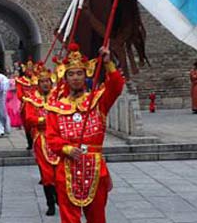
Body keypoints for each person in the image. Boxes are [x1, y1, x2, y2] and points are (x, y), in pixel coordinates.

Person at [46, 44, 125, 223]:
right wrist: (66, 148)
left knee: (97, 217)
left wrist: (108, 63)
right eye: (71, 74)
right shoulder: (56, 109)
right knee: (69, 218)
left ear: (86, 75)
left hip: (95, 169)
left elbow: (116, 87)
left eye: (79, 73)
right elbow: (51, 138)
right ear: (65, 77)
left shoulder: (97, 101)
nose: (75, 78)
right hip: (66, 169)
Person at [23, 63, 60, 216]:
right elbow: (29, 118)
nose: (45, 84)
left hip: (58, 138)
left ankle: (60, 197)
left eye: (47, 81)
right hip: (41, 138)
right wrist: (42, 120)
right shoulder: (32, 100)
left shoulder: (58, 98)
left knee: (60, 173)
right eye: (42, 82)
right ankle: (50, 203)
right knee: (47, 174)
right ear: (38, 84)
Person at [16, 60, 36, 149]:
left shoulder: (37, 80)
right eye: (28, 69)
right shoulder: (20, 81)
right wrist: (27, 99)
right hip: (26, 104)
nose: (30, 71)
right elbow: (19, 94)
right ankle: (30, 142)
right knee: (27, 124)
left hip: (37, 104)